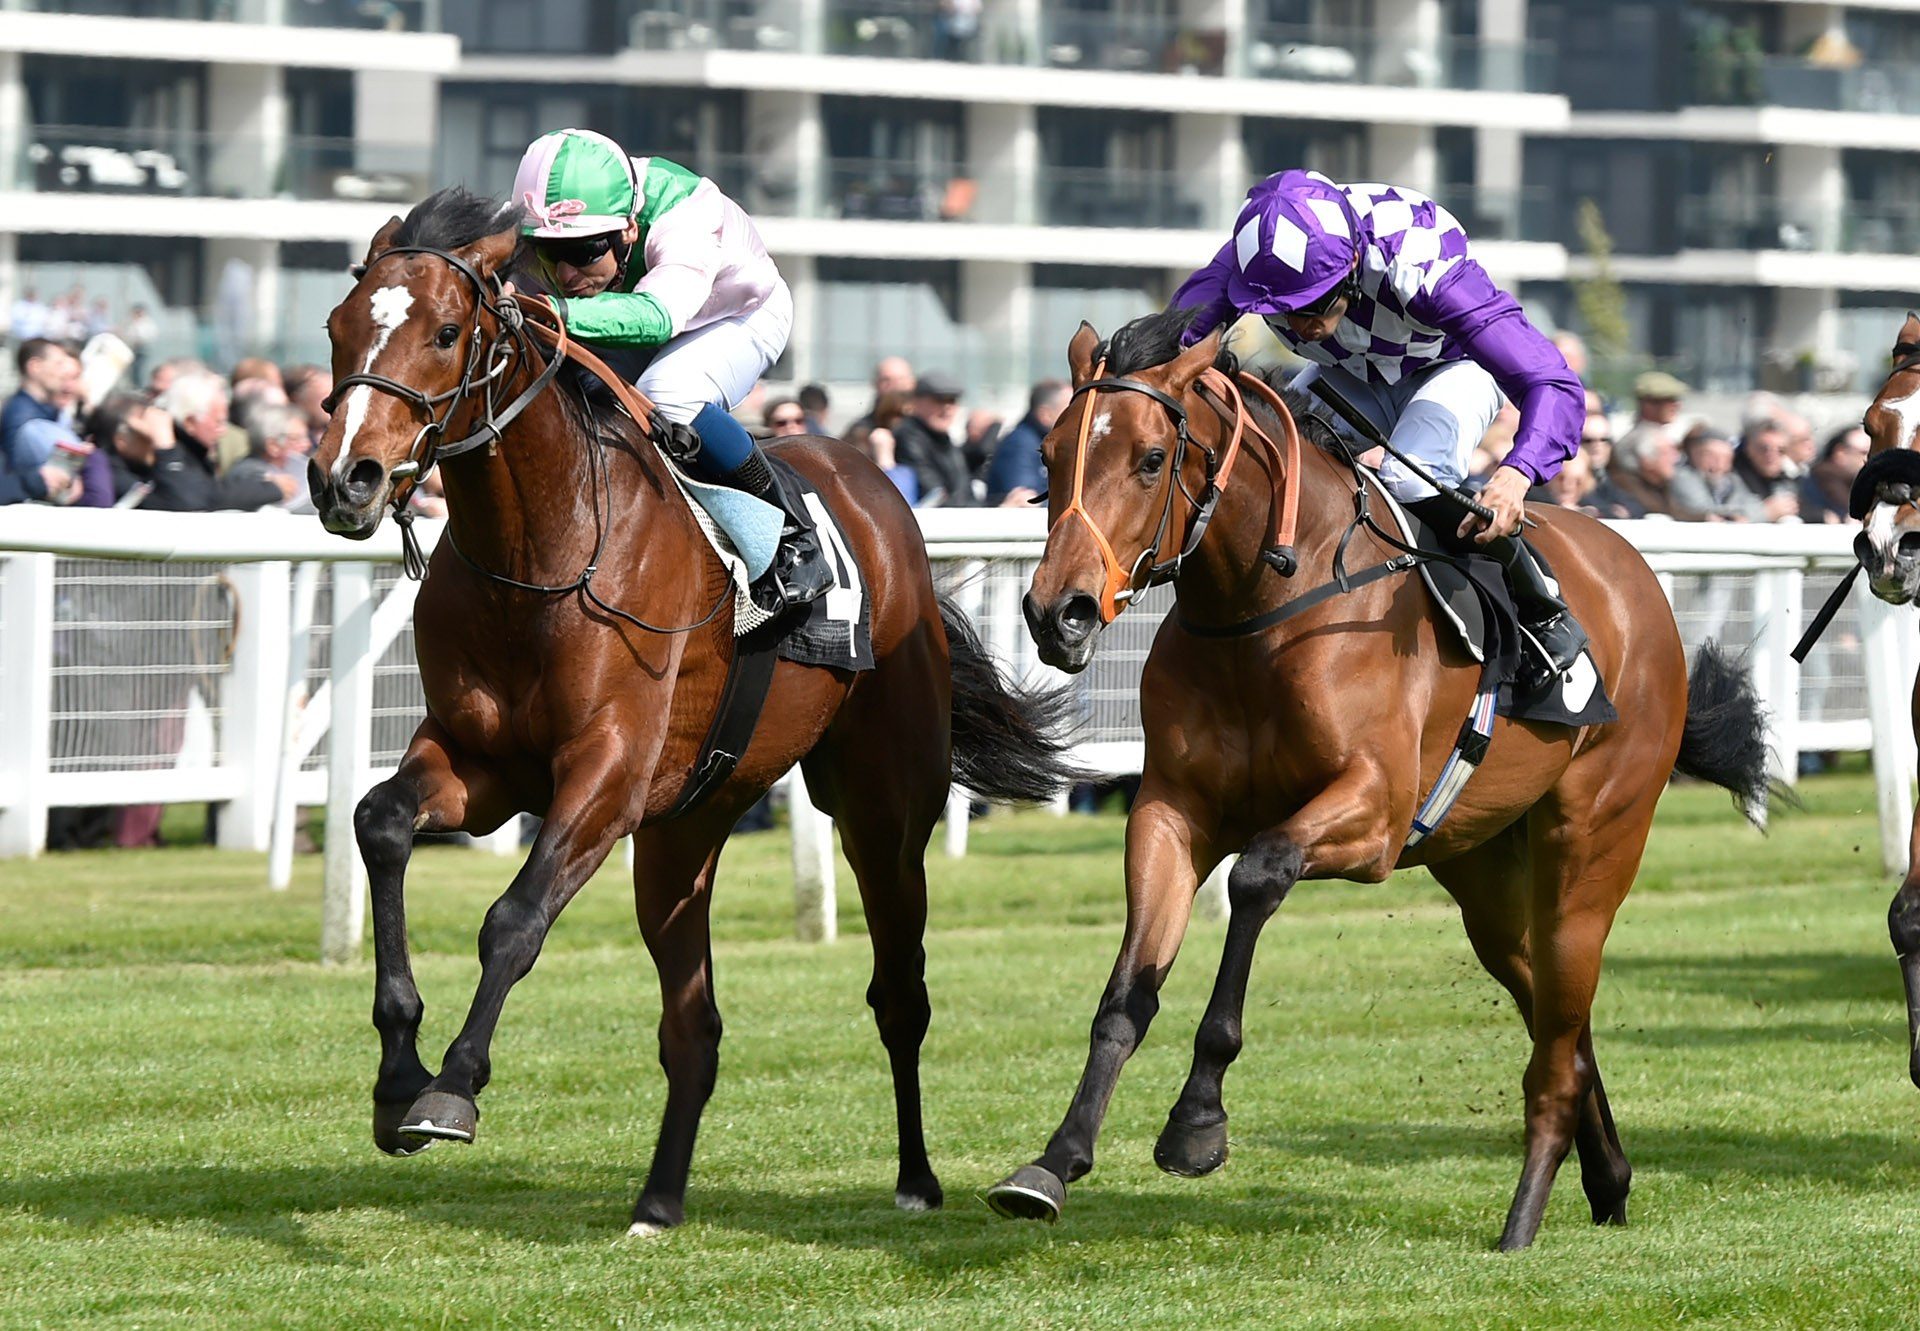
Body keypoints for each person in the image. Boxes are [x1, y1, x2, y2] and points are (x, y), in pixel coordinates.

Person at [1172, 169, 1587, 679]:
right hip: (1346, 372)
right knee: (1269, 459)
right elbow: (1166, 354)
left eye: (1315, 303)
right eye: (1283, 310)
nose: (1302, 325)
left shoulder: (1422, 264)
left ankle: (1540, 605)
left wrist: (1517, 473)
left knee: (1407, 476)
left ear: (1350, 263)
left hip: (1449, 366)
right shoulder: (1249, 260)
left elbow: (1552, 380)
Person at [510, 126, 831, 611]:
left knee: (667, 390)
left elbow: (658, 318)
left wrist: (551, 309)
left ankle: (791, 530)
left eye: (583, 253)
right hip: (638, 313)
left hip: (738, 314)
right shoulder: (558, 225)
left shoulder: (684, 216)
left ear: (628, 232)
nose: (567, 275)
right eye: (548, 254)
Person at [887, 371, 976, 506]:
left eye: (952, 400)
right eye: (939, 400)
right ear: (916, 401)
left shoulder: (944, 438)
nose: (947, 408)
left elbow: (964, 489)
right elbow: (932, 493)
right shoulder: (908, 436)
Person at [984, 378, 1067, 504]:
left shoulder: (1047, 442)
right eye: (1069, 410)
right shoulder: (1019, 445)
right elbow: (1026, 502)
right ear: (1046, 415)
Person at [1669, 428, 1765, 522]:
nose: (1719, 464)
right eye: (1711, 456)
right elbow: (1699, 508)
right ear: (1694, 454)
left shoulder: (1733, 481)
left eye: (1725, 458)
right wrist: (1740, 513)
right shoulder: (1684, 477)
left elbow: (1751, 503)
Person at [1799, 425, 1867, 524]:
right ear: (1841, 453)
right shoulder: (1816, 482)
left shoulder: (1863, 485)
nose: (1870, 458)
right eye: (1864, 452)